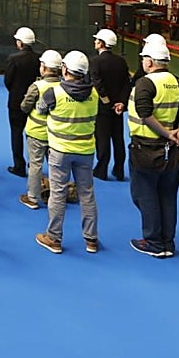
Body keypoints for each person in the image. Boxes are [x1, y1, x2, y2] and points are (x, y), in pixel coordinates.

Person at [124, 41, 179, 258]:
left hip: (146, 149)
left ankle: (154, 242)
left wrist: (168, 134)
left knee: (144, 194)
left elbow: (145, 116)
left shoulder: (145, 84)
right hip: (173, 151)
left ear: (149, 61)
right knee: (167, 194)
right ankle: (167, 242)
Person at [35, 51, 100, 255]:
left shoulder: (54, 93)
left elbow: (40, 109)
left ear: (64, 69)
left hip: (60, 151)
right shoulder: (94, 93)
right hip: (86, 151)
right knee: (87, 194)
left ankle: (54, 237)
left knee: (57, 193)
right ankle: (91, 239)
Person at [18, 49, 63, 210]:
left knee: (35, 166)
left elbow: (24, 107)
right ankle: (56, 197)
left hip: (36, 132)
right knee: (55, 166)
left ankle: (32, 198)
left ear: (43, 67)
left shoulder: (37, 86)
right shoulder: (64, 86)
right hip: (56, 134)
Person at [89, 28, 130, 181]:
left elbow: (97, 84)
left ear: (101, 43)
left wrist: (107, 101)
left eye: (96, 40)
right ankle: (119, 170)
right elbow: (127, 83)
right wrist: (121, 103)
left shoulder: (95, 61)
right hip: (118, 108)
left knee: (102, 138)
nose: (94, 42)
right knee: (118, 138)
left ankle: (101, 170)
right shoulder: (121, 61)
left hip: (103, 107)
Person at [3, 26, 39, 178]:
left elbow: (8, 80)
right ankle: (34, 164)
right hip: (35, 101)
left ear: (20, 42)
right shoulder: (39, 58)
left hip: (16, 101)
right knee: (34, 134)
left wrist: (16, 92)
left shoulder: (13, 59)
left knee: (16, 132)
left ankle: (19, 165)